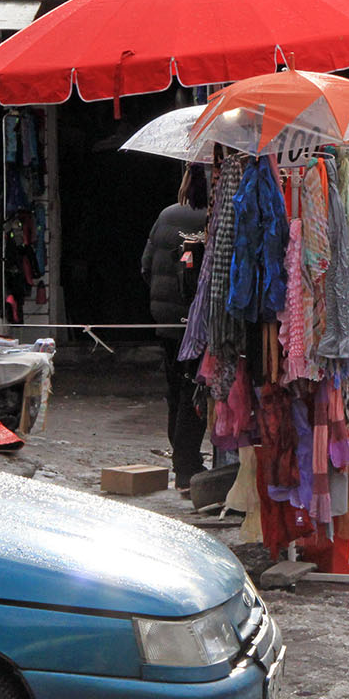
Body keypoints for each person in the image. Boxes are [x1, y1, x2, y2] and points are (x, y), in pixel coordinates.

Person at [140, 165, 209, 493]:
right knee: (192, 391)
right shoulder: (212, 218)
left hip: (165, 318)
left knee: (175, 390)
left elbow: (146, 264)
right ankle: (186, 464)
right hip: (194, 321)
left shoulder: (167, 215)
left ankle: (182, 460)